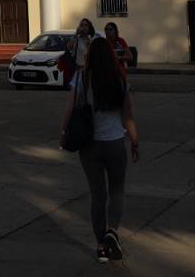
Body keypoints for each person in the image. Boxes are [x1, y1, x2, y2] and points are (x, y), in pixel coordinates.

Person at [60, 36, 139, 264]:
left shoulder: (82, 78)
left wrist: (63, 132)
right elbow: (128, 117)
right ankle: (112, 231)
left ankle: (101, 246)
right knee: (117, 191)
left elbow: (70, 108)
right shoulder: (120, 80)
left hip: (89, 146)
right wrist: (135, 142)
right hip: (115, 143)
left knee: (97, 195)